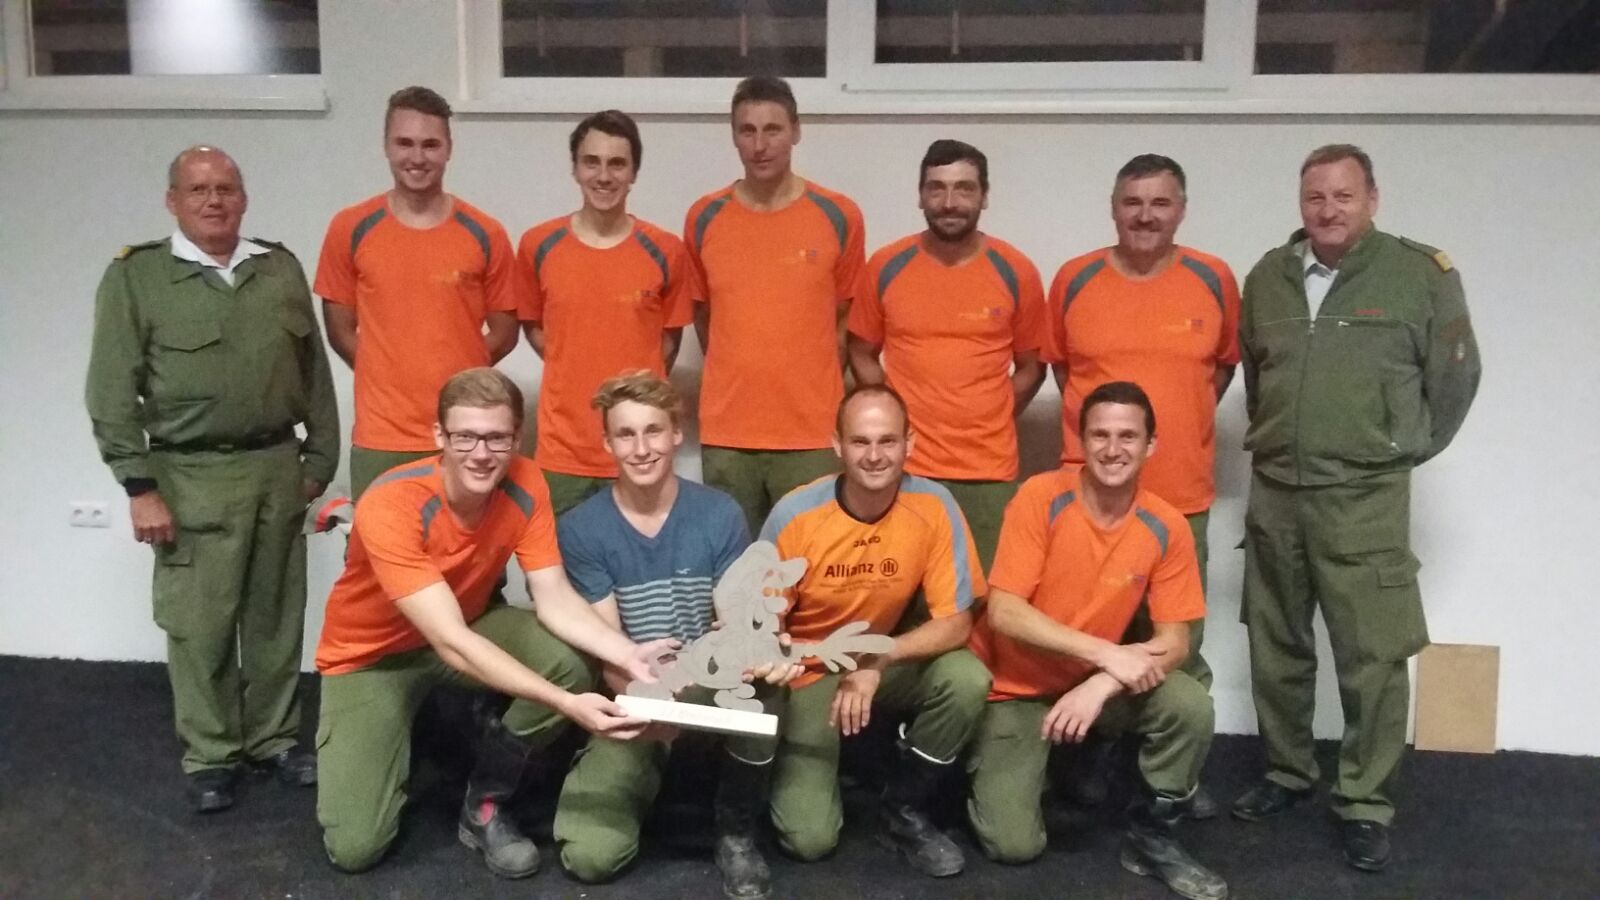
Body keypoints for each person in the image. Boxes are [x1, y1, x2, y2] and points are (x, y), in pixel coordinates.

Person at [313, 368, 674, 877]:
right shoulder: (392, 502)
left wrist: (625, 652)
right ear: (439, 436)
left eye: (497, 438)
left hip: (470, 626)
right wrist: (566, 704)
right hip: (373, 657)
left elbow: (553, 595)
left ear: (516, 437)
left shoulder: (526, 482)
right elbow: (451, 642)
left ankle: (484, 799)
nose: (481, 454)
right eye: (465, 437)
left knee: (570, 662)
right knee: (356, 848)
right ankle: (419, 736)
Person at [1233, 144, 1481, 872]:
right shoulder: (1267, 278)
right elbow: (1258, 376)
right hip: (1278, 492)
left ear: (1372, 198)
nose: (1328, 209)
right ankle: (1287, 772)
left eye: (1343, 195)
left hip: (1365, 498)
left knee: (1372, 657)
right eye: (1315, 196)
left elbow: (1456, 379)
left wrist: (1397, 448)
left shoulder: (1419, 275)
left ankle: (1365, 801)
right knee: (1276, 644)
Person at [85, 145, 339, 813]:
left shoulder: (277, 268)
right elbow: (110, 391)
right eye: (197, 189)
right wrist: (139, 487)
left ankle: (274, 738)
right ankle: (212, 755)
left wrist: (318, 463)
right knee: (200, 625)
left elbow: (313, 375)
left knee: (275, 616)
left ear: (243, 198)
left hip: (276, 467)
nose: (213, 200)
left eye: (225, 187)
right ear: (172, 201)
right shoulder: (138, 278)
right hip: (189, 474)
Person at [965, 381, 1226, 900]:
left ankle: (1152, 839)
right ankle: (1052, 761)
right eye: (1100, 435)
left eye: (1128, 436)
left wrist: (1101, 682)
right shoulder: (1040, 498)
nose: (1112, 449)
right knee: (1013, 846)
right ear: (1081, 441)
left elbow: (1175, 641)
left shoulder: (1166, 525)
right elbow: (1004, 612)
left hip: (1089, 686)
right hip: (1015, 689)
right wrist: (1106, 654)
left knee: (1189, 704)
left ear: (1151, 445)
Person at [551, 371, 799, 900]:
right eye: (625, 434)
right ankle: (647, 779)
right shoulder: (580, 529)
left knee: (766, 677)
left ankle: (735, 830)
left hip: (707, 689)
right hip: (638, 699)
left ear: (676, 435)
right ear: (607, 443)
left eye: (653, 431)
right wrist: (654, 707)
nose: (641, 449)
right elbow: (609, 651)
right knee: (591, 857)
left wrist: (760, 648)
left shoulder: (719, 512)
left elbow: (737, 619)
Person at [759, 385, 991, 877]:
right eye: (860, 441)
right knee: (809, 840)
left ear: (910, 443)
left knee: (966, 678)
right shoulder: (796, 514)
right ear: (837, 446)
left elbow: (956, 622)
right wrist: (772, 650)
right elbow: (761, 624)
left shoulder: (934, 504)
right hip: (809, 670)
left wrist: (877, 660)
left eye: (888, 441)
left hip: (879, 662)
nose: (874, 455)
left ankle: (903, 810)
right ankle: (816, 769)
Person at [1044, 154, 1240, 691]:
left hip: (1180, 496)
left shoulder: (1214, 278)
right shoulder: (1075, 279)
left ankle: (1172, 746)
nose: (1146, 215)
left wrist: (1180, 417)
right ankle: (1082, 738)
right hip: (1089, 501)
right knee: (1082, 641)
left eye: (1160, 203)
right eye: (1132, 202)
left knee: (1176, 651)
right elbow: (1065, 373)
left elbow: (1221, 368)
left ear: (1182, 210)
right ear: (1113, 209)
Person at [847, 139, 1046, 571]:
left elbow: (1033, 367)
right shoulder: (886, 266)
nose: (950, 202)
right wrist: (891, 415)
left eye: (964, 188)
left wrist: (994, 413)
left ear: (984, 196)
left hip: (988, 471)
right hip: (906, 469)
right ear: (920, 196)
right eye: (936, 188)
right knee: (900, 589)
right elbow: (860, 351)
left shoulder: (1016, 270)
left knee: (984, 593)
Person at [315, 85, 519, 498]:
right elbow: (339, 329)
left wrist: (460, 377)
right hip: (381, 439)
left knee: (470, 542)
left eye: (430, 144)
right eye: (405, 143)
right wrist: (385, 372)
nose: (417, 157)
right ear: (386, 146)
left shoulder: (486, 233)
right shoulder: (350, 228)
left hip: (464, 436)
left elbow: (505, 332)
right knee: (379, 541)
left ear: (448, 149)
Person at [685, 75, 867, 534]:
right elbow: (705, 317)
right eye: (747, 131)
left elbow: (846, 319)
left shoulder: (839, 215)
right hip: (728, 434)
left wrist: (808, 386)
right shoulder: (704, 217)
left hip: (812, 433)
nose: (760, 145)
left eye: (773, 129)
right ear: (734, 136)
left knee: (812, 564)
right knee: (733, 566)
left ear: (796, 131)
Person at [515, 111, 696, 515]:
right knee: (559, 556)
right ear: (575, 169)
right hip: (563, 455)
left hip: (639, 453)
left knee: (642, 555)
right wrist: (572, 363)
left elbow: (666, 344)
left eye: (617, 164)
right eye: (591, 162)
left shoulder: (666, 250)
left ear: (633, 173)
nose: (603, 176)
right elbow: (535, 328)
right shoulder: (537, 246)